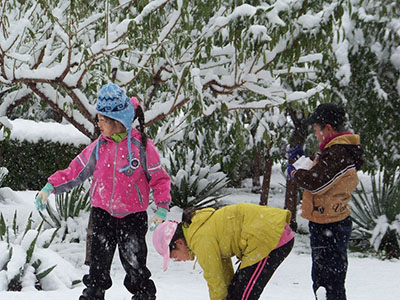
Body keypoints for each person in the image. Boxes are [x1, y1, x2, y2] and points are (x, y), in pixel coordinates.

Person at [34, 83, 172, 300]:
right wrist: (50, 186)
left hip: (133, 217)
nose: (97, 124)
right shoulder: (99, 146)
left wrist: (162, 208)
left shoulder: (142, 146)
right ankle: (93, 294)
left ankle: (144, 295)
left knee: (135, 264)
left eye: (101, 119)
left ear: (116, 121)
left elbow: (159, 178)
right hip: (102, 215)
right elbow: (76, 170)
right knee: (98, 264)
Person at [286, 103, 363, 300]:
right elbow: (323, 176)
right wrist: (302, 161)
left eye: (316, 130)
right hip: (327, 221)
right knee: (325, 280)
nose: (316, 135)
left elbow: (316, 183)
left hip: (331, 225)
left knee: (329, 282)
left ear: (328, 128)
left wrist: (295, 173)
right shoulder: (334, 151)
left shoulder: (339, 153)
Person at [152, 203, 294, 300]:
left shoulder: (199, 239)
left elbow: (214, 279)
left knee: (242, 297)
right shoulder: (198, 229)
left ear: (179, 243)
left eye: (174, 257)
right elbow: (223, 271)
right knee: (236, 293)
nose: (179, 260)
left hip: (270, 237)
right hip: (266, 235)